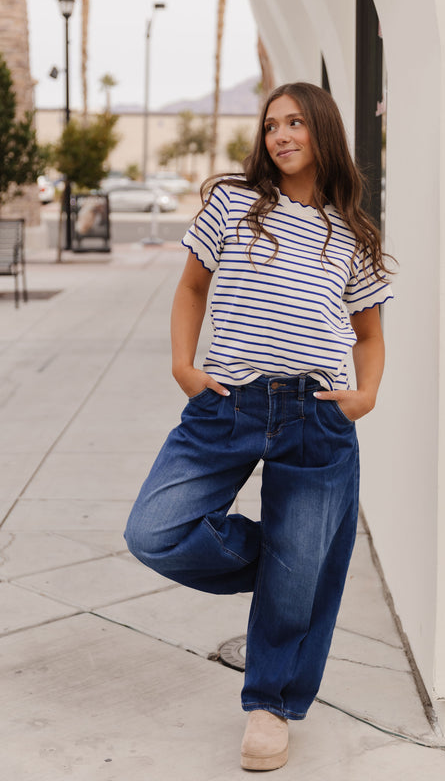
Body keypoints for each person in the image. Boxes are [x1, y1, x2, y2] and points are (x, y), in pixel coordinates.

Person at [125, 81, 393, 772]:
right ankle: (288, 567)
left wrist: (365, 394)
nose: (279, 135)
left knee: (301, 565)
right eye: (271, 124)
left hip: (316, 415)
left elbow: (368, 333)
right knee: (155, 531)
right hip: (228, 404)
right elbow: (190, 288)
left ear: (322, 132)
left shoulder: (352, 233)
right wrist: (183, 368)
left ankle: (269, 707)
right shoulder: (231, 202)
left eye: (295, 122)